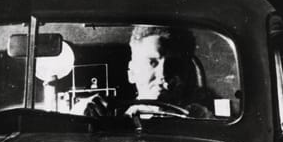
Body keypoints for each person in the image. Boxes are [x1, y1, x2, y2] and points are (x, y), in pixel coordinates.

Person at [78, 24, 211, 118]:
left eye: (174, 64)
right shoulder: (108, 116)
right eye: (152, 62)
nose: (163, 75)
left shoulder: (201, 118)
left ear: (186, 74)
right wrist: (83, 115)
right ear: (132, 73)